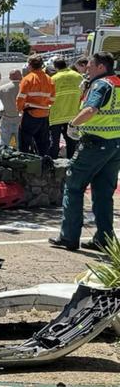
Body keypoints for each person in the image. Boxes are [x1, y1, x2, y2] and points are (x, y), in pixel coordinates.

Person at [49, 52, 120, 251]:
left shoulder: (101, 85)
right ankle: (104, 239)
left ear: (101, 67)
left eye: (90, 65)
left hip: (94, 143)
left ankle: (69, 237)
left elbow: (91, 110)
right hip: (115, 146)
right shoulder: (117, 84)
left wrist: (73, 124)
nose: (86, 68)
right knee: (104, 192)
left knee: (73, 186)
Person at [17, 55, 54, 156]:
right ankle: (44, 167)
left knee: (24, 146)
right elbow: (52, 100)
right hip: (44, 116)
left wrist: (20, 110)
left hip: (30, 115)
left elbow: (20, 98)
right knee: (43, 146)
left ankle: (24, 168)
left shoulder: (27, 79)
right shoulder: (49, 79)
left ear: (29, 66)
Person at [48, 57, 85, 158]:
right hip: (73, 116)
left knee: (54, 142)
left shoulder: (53, 79)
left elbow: (49, 98)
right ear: (67, 64)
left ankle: (53, 165)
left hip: (56, 116)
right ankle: (70, 163)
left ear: (55, 67)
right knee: (71, 141)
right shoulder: (78, 77)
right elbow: (83, 96)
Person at [0, 68, 22, 147]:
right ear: (21, 77)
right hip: (20, 120)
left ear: (10, 78)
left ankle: (3, 159)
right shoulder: (25, 87)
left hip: (6, 119)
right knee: (20, 146)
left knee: (3, 145)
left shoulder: (3, 88)